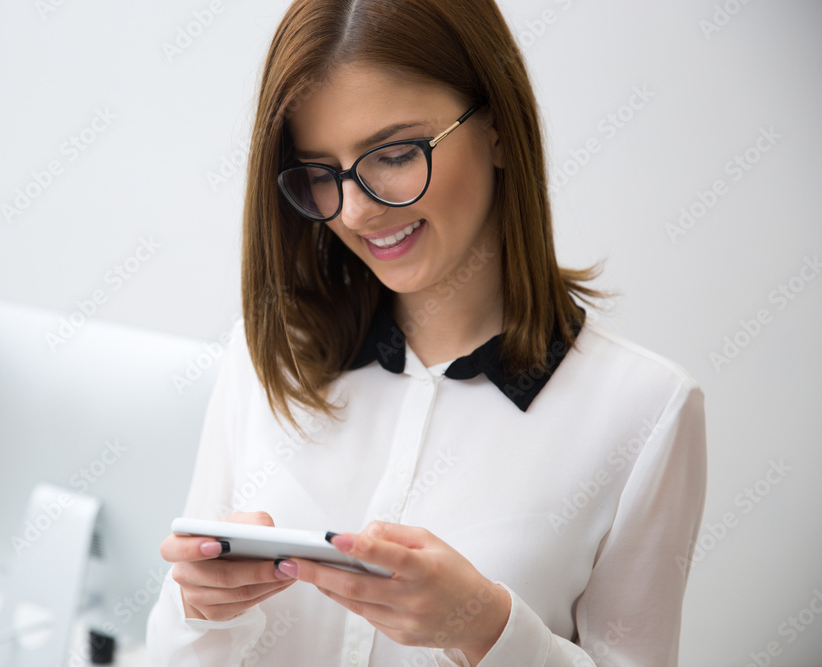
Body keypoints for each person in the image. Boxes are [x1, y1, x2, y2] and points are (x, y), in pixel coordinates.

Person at [147, 0, 707, 664]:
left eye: (392, 154)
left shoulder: (644, 409)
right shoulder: (266, 354)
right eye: (321, 174)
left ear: (497, 124)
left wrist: (488, 628)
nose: (354, 212)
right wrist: (195, 609)